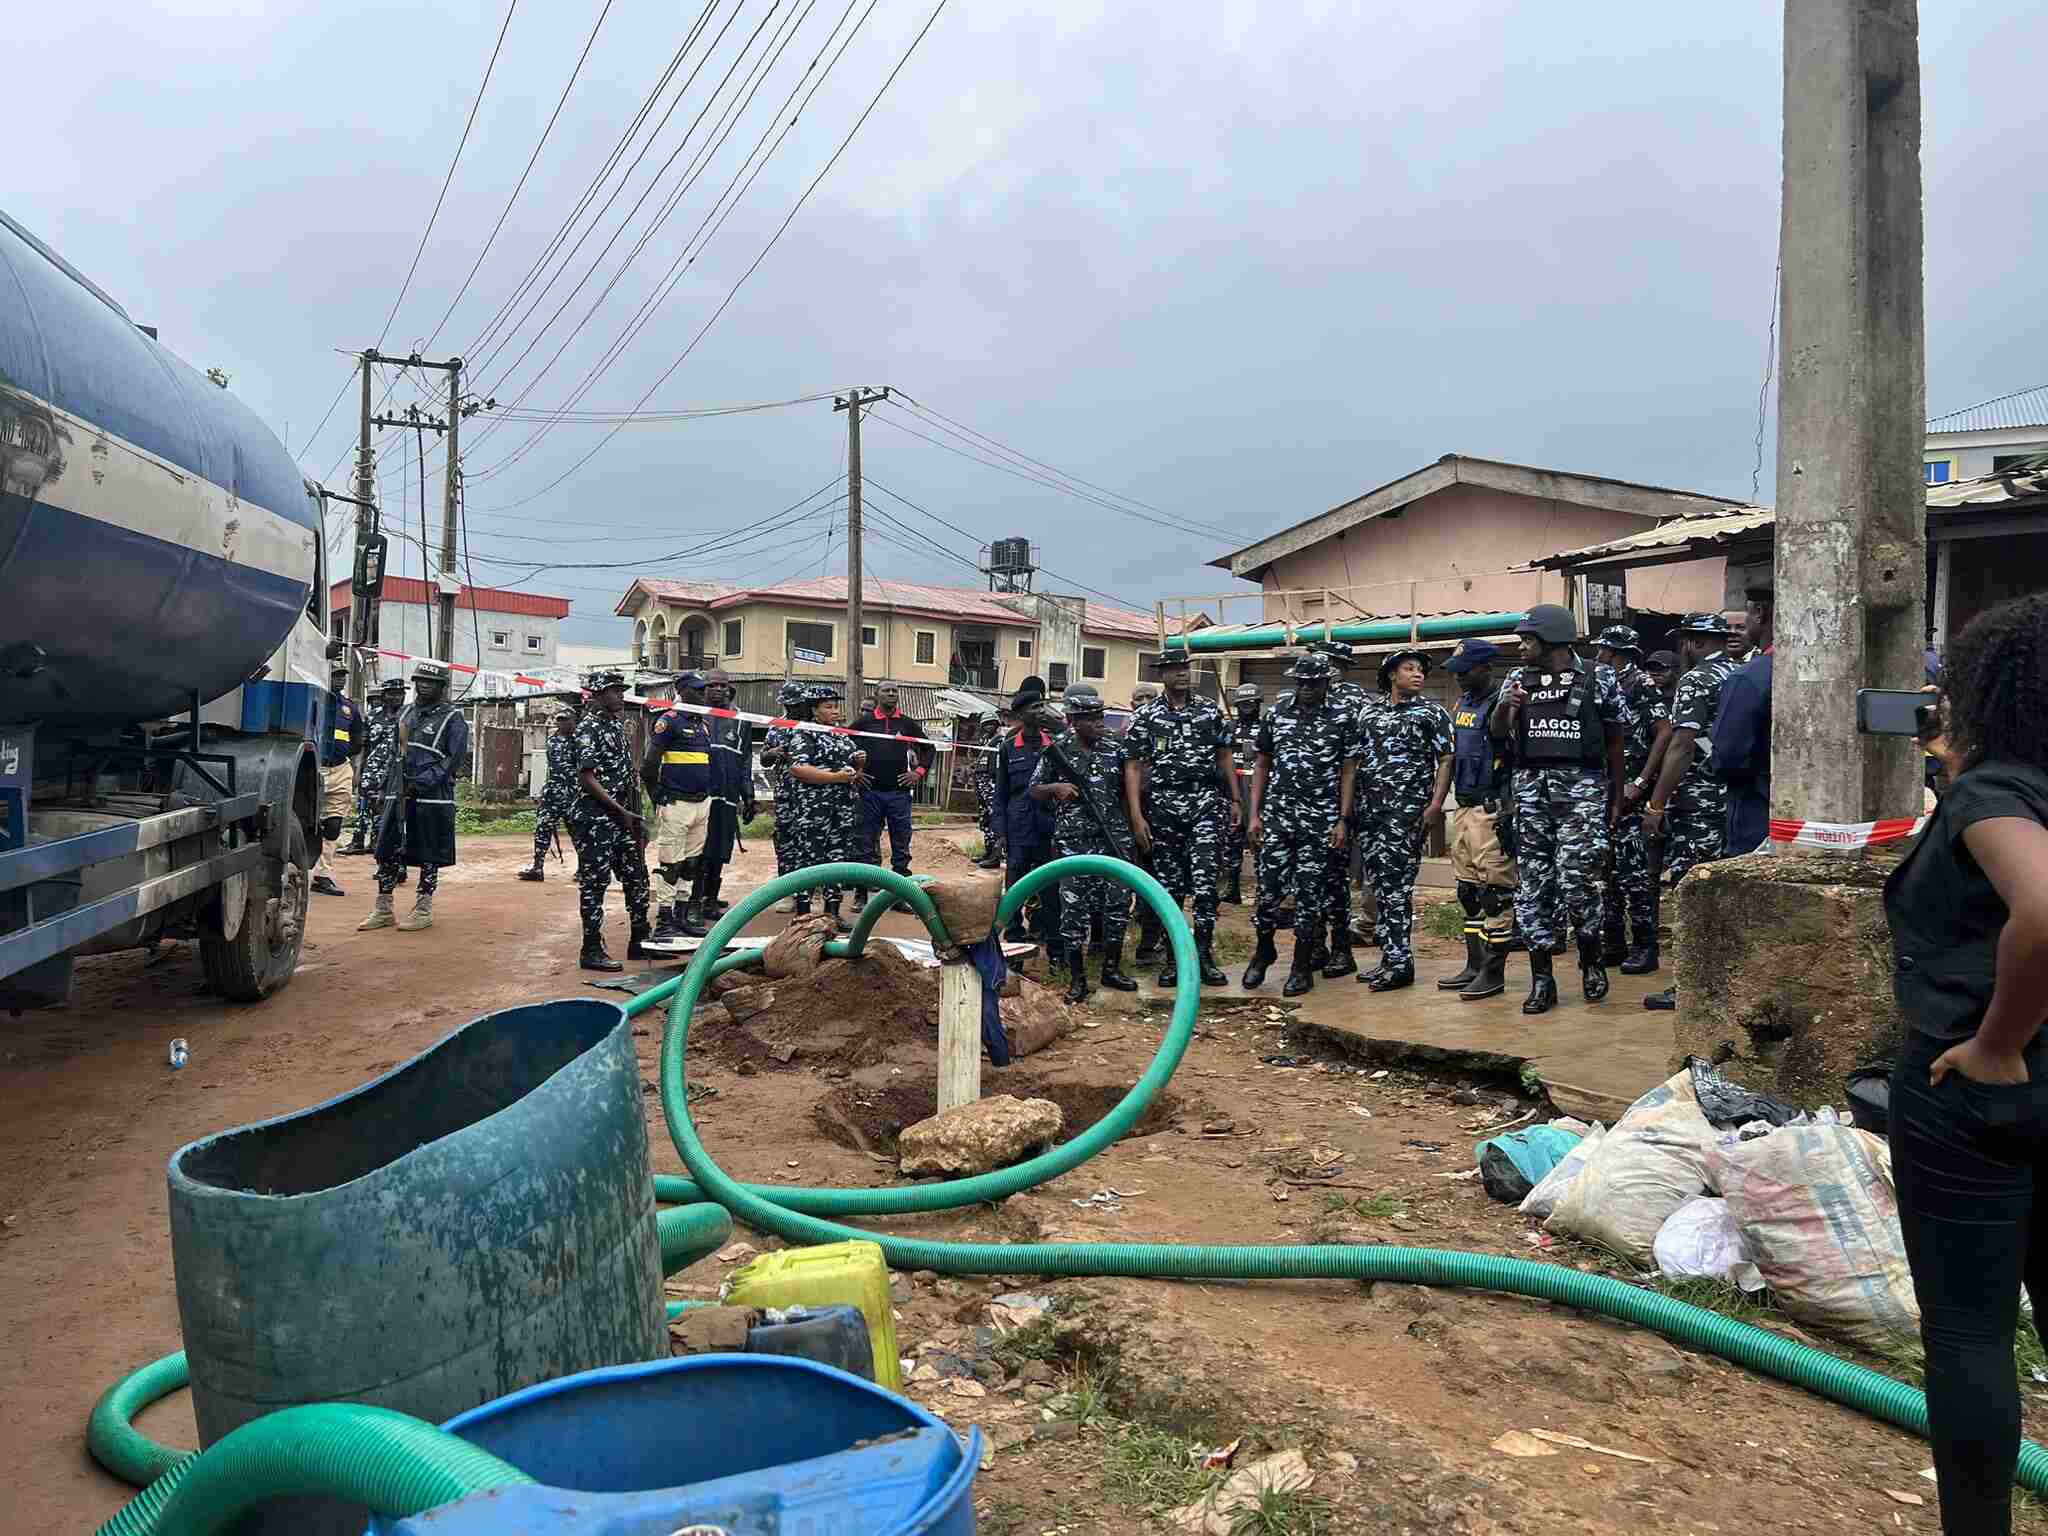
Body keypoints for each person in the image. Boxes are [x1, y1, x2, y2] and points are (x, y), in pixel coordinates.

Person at [1882, 593, 2048, 1535]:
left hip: (1980, 1099)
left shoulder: (1999, 794)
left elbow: (2045, 913)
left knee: (1971, 1331)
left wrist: (1996, 1044)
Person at [1490, 605, 1625, 1014]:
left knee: (1576, 879)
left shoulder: (1599, 676)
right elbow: (1497, 734)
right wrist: (1504, 707)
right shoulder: (1517, 678)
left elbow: (1615, 740)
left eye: (1527, 639)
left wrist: (1616, 798)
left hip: (1582, 790)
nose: (1521, 646)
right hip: (1531, 790)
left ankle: (1591, 961)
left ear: (1550, 639)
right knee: (1533, 886)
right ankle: (1542, 979)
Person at [1640, 613, 1741, 1011]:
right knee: (1726, 893)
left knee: (1693, 893)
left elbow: (1682, 744)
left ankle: (1692, 987)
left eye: (1685, 641)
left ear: (1694, 643)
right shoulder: (1741, 672)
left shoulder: (1697, 679)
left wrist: (1657, 802)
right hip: (1735, 799)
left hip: (1699, 802)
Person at [1244, 652, 1359, 996]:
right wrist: (1255, 813)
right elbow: (1262, 764)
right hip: (1279, 816)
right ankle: (1263, 950)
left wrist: (1342, 818)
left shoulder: (1343, 717)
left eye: (1314, 683)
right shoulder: (1277, 713)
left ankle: (1301, 964)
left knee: (1310, 893)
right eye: (1302, 682)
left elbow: (1349, 769)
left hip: (1320, 818)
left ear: (1326, 683)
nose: (1307, 688)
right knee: (1267, 889)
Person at [1124, 651, 1238, 987]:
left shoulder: (1208, 710)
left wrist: (1235, 798)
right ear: (1163, 675)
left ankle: (1203, 955)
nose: (1182, 675)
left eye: (1184, 668)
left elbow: (1225, 755)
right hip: (1164, 808)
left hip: (1204, 803)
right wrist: (1136, 815)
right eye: (1174, 670)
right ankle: (1175, 959)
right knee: (1170, 888)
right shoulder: (1146, 716)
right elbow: (1133, 766)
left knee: (1205, 887)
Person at [1030, 684, 1141, 1002]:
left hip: (1112, 838)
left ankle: (1111, 968)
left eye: (1099, 716)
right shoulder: (1058, 749)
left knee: (1118, 905)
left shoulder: (1115, 747)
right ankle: (1077, 980)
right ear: (1073, 720)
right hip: (1073, 842)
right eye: (1089, 717)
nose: (1097, 722)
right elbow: (1033, 789)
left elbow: (1129, 787)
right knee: (1074, 911)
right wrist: (1056, 787)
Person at [1357, 647, 1453, 992]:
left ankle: (1401, 964)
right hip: (1371, 814)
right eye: (1409, 669)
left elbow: (1445, 759)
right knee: (1380, 887)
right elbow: (1356, 761)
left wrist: (1435, 805)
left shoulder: (1431, 713)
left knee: (1398, 887)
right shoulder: (1368, 714)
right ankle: (1388, 956)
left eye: (1420, 670)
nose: (1418, 674)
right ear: (1391, 675)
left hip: (1406, 813)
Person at [360, 659, 469, 934]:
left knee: (429, 853)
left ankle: (423, 908)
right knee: (386, 848)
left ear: (441, 686)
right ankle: (383, 908)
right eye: (420, 680)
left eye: (430, 681)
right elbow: (392, 752)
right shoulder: (406, 712)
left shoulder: (453, 718)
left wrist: (420, 784)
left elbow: (452, 761)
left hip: (432, 797)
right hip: (397, 793)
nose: (423, 685)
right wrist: (381, 787)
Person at [1437, 640, 1517, 1000]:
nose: (1459, 677)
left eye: (1465, 671)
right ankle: (1474, 964)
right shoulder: (1463, 703)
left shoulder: (1505, 704)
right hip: (1465, 806)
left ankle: (1493, 972)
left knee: (1496, 895)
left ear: (1485, 668)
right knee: (1468, 891)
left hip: (1493, 807)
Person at [1599, 625, 1672, 974]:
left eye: (1606, 650)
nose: (1600, 655)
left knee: (1634, 875)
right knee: (1606, 872)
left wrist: (1641, 782)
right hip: (1605, 790)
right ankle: (1613, 943)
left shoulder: (1641, 684)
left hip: (1630, 792)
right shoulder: (1601, 684)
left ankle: (1645, 945)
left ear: (1619, 653)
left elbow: (1664, 733)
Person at [568, 670, 652, 971]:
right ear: (598, 694)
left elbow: (627, 776)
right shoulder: (588, 728)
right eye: (613, 690)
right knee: (595, 883)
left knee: (637, 877)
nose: (620, 695)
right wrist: (620, 810)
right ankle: (590, 948)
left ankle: (641, 941)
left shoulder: (616, 725)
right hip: (595, 819)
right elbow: (587, 777)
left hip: (622, 818)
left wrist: (634, 816)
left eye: (621, 690)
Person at [641, 671, 716, 942]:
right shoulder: (668, 721)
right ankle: (664, 920)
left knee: (691, 863)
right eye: (698, 689)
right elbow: (648, 765)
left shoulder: (703, 724)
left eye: (704, 688)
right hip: (676, 803)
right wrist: (656, 795)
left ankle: (683, 916)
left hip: (701, 803)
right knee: (670, 863)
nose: (704, 693)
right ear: (683, 691)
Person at [788, 685, 868, 923]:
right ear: (814, 710)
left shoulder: (840, 735)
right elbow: (798, 768)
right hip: (814, 809)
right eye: (828, 707)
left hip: (842, 808)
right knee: (809, 859)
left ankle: (832, 913)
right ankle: (803, 915)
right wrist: (835, 777)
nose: (835, 711)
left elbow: (852, 771)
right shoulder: (805, 734)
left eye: (836, 706)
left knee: (838, 859)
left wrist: (859, 764)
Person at [1317, 641, 1373, 978]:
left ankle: (1345, 942)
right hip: (1317, 800)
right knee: (1317, 874)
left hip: (1347, 799)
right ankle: (1319, 945)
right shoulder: (1307, 695)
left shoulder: (1355, 701)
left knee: (1338, 873)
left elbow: (1360, 754)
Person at [851, 683, 930, 913]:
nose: (892, 694)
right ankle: (861, 894)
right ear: (877, 695)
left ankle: (899, 897)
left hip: (899, 795)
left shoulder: (906, 724)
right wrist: (854, 773)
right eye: (887, 690)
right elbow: (843, 745)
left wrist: (918, 773)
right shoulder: (864, 723)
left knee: (901, 847)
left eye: (895, 690)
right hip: (869, 794)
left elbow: (929, 748)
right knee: (864, 845)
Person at [1710, 589, 1775, 858]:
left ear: (1759, 613)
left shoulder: (1750, 677)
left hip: (1755, 809)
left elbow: (1728, 754)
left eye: (1746, 614)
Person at [994, 689, 1061, 947]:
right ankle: (1013, 938)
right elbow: (1000, 794)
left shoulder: (1055, 745)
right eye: (1034, 708)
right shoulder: (1008, 748)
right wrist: (999, 833)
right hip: (1019, 828)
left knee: (1051, 887)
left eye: (1042, 706)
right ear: (1021, 714)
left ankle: (1051, 939)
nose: (1040, 711)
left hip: (1049, 826)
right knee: (1015, 887)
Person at [699, 669, 755, 920]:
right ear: (704, 689)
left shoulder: (741, 719)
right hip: (700, 794)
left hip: (728, 794)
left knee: (720, 848)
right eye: (713, 685)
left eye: (723, 686)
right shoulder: (694, 714)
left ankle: (710, 898)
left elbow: (745, 760)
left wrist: (749, 794)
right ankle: (695, 899)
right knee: (698, 848)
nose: (718, 690)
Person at [759, 681, 812, 911]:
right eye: (790, 705)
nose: (794, 709)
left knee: (811, 842)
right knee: (785, 841)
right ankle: (787, 890)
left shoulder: (816, 726)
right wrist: (773, 752)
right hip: (786, 793)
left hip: (814, 793)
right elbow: (764, 759)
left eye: (798, 705)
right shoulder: (776, 727)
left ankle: (809, 891)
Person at [312, 663, 364, 898]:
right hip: (316, 768)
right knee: (309, 822)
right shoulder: (313, 700)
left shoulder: (349, 707)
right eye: (336, 676)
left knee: (333, 825)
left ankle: (323, 876)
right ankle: (302, 872)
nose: (341, 680)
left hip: (341, 768)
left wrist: (346, 752)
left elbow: (357, 736)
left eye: (343, 676)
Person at [345, 676, 406, 861]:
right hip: (371, 770)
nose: (397, 698)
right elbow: (364, 745)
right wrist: (358, 770)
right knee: (364, 806)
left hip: (394, 773)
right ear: (384, 695)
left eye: (400, 694)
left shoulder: (407, 716)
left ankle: (379, 845)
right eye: (393, 694)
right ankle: (359, 840)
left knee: (386, 811)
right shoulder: (372, 716)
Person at [519, 703, 580, 882]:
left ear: (574, 721)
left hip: (573, 793)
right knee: (542, 828)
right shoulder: (552, 740)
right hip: (553, 792)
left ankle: (584, 868)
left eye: (566, 720)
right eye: (559, 720)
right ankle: (537, 868)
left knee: (578, 832)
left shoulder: (580, 741)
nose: (562, 723)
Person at [1223, 683, 1262, 904]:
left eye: (1252, 703)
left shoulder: (1267, 727)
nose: (1248, 707)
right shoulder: (1229, 728)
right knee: (1232, 841)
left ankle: (1261, 892)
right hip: (1234, 788)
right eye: (1244, 704)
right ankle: (1232, 888)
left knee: (1259, 841)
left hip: (1256, 789)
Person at [971, 712, 1006, 869]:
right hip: (982, 784)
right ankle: (988, 851)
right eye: (985, 724)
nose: (988, 727)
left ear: (997, 724)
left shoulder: (999, 742)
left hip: (992, 785)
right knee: (985, 818)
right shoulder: (985, 742)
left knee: (994, 818)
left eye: (991, 723)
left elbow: (999, 767)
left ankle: (996, 855)